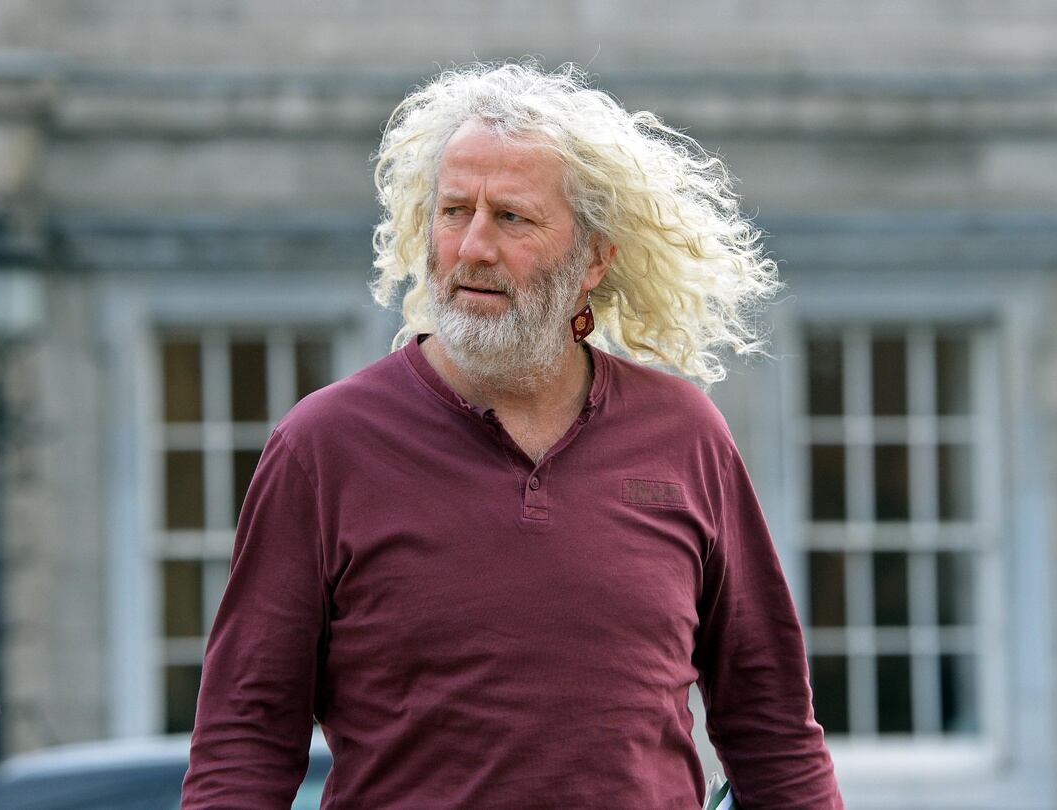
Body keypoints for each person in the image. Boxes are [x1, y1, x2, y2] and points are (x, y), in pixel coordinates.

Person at [182, 62, 842, 809]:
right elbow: (243, 739)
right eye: (454, 211)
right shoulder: (322, 446)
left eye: (512, 218)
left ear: (594, 257)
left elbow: (773, 728)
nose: (473, 247)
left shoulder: (685, 435)